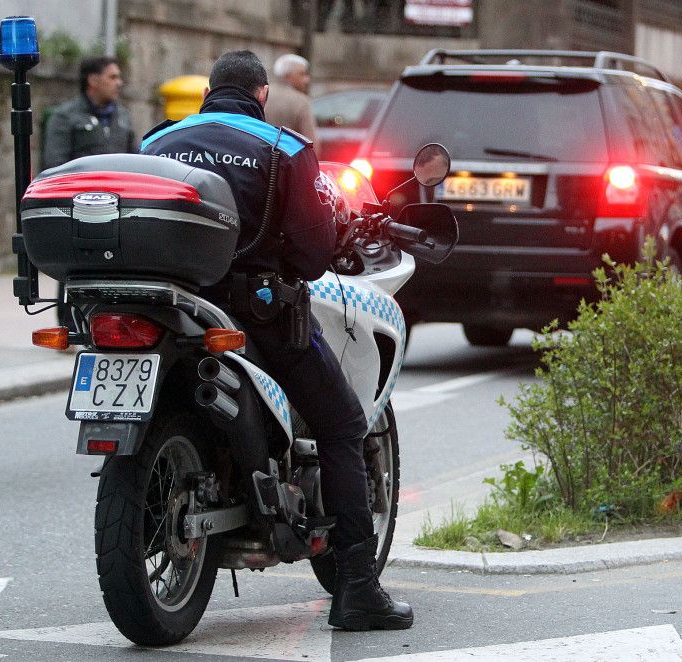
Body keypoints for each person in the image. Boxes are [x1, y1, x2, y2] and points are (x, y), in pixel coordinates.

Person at [140, 50, 413, 631]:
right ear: (262, 94)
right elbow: (314, 258)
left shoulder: (157, 140)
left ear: (209, 91)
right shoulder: (283, 147)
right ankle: (358, 589)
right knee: (342, 425)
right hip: (254, 315)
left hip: (169, 309)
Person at [42, 56, 137, 329]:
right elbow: (55, 165)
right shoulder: (65, 117)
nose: (119, 83)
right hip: (79, 208)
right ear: (92, 81)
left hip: (117, 208)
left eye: (119, 77)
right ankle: (70, 325)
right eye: (112, 77)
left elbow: (135, 160)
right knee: (76, 268)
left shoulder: (123, 117)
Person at [265, 53, 320, 153]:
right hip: (288, 162)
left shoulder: (262, 95)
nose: (307, 80)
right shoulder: (301, 101)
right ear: (288, 76)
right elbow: (312, 146)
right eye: (302, 74)